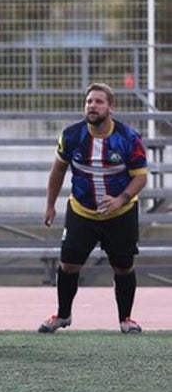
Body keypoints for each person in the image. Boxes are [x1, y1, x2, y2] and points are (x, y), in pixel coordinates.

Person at [40, 83, 147, 334]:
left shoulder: (129, 138)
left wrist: (120, 200)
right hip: (82, 211)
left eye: (99, 102)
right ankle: (63, 315)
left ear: (111, 107)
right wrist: (50, 205)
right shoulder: (72, 136)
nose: (92, 106)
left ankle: (126, 318)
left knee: (123, 266)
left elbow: (140, 177)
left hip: (120, 214)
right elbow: (58, 170)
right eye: (89, 101)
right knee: (68, 264)